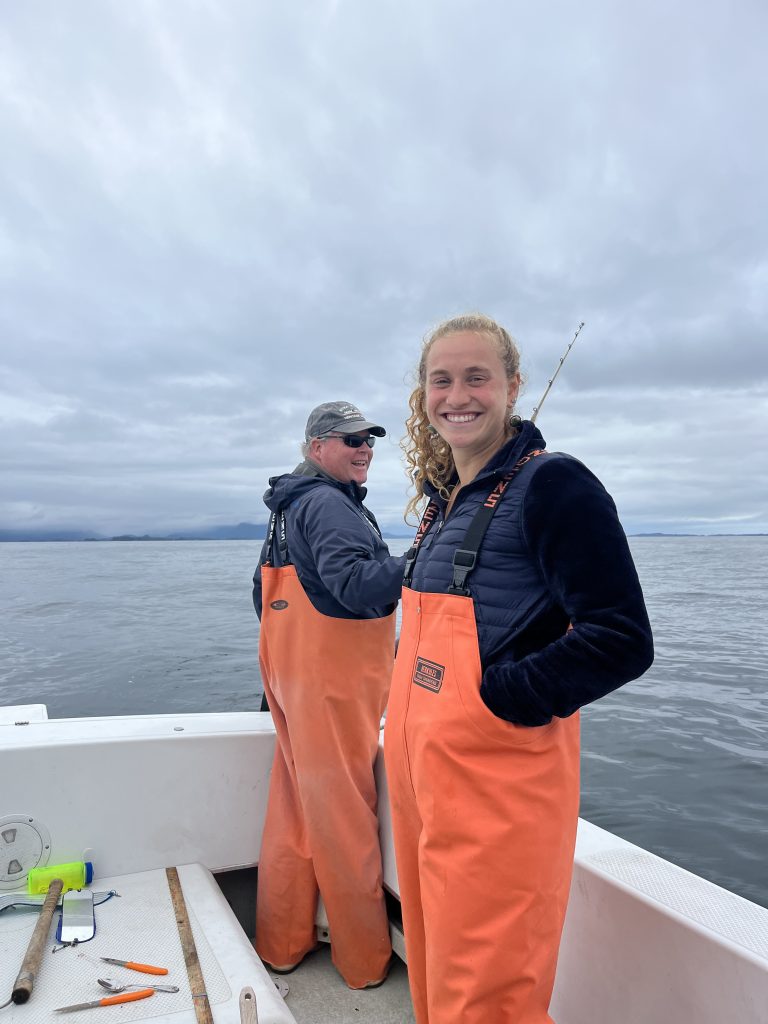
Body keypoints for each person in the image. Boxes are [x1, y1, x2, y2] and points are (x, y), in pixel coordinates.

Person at [383, 314, 654, 1023]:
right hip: (425, 793)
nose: (458, 395)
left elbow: (621, 637)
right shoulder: (443, 505)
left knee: (487, 1001)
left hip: (498, 797)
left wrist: (504, 697)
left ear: (512, 386)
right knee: (437, 982)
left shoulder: (554, 485)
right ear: (423, 394)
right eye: (441, 380)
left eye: (477, 377)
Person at [253, 401, 406, 990]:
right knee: (344, 821)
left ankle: (283, 943)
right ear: (317, 447)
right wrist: (420, 562)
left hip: (294, 678)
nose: (365, 448)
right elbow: (353, 583)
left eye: (369, 440)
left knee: (295, 811)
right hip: (331, 685)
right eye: (351, 440)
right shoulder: (329, 504)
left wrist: (282, 679)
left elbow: (262, 594)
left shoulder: (289, 506)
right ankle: (364, 961)